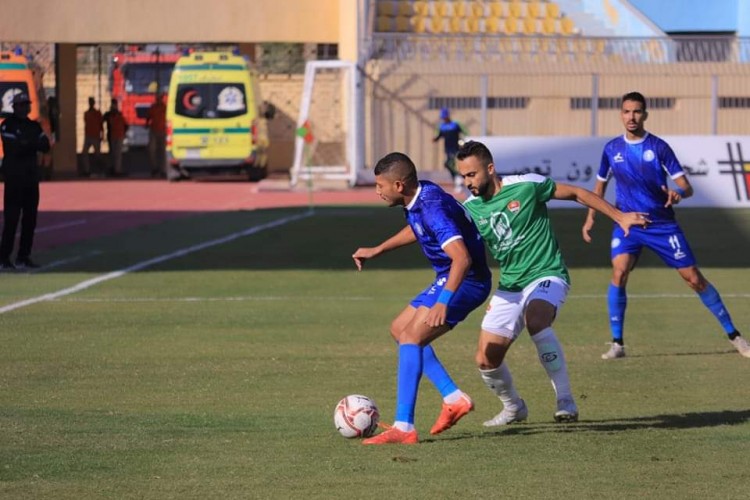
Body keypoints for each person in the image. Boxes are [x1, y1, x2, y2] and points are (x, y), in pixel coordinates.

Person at [455, 140, 647, 427]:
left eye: (472, 174)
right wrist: (380, 248)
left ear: (490, 168)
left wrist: (619, 216)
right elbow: (442, 231)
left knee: (537, 318)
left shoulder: (526, 185)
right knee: (486, 358)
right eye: (463, 176)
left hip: (547, 272)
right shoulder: (470, 209)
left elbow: (577, 193)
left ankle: (565, 400)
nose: (467, 182)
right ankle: (514, 407)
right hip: (511, 285)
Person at [582, 91, 749, 359]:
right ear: (621, 114)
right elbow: (600, 185)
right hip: (628, 224)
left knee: (693, 279)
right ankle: (617, 343)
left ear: (645, 115)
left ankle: (735, 336)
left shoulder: (659, 147)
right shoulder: (612, 149)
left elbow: (687, 186)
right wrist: (591, 216)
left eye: (636, 111)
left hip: (662, 225)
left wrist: (677, 193)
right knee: (619, 272)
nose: (631, 116)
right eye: (626, 111)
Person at [352, 152, 492, 445]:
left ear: (399, 185)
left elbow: (462, 258)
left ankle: (404, 426)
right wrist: (378, 249)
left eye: (380, 185)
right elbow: (419, 229)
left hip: (467, 280)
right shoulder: (421, 194)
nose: (377, 191)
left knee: (411, 338)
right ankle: (454, 398)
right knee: (399, 329)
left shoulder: (432, 208)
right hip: (449, 276)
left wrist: (444, 301)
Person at [0, 93, 51, 270]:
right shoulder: (7, 125)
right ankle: (4, 258)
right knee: (11, 219)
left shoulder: (33, 126)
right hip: (14, 178)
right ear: (14, 107)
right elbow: (14, 147)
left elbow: (45, 145)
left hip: (30, 178)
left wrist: (27, 143)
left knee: (30, 219)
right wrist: (32, 143)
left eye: (26, 104)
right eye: (21, 104)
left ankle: (23, 256)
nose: (24, 107)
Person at [433, 107, 467, 194]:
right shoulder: (442, 127)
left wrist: (465, 140)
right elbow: (439, 135)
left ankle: (458, 180)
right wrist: (435, 139)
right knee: (448, 164)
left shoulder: (455, 125)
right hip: (448, 149)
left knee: (453, 163)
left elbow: (465, 133)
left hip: (456, 148)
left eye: (445, 116)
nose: (444, 118)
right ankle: (457, 179)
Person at [103, 98, 128, 177]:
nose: (114, 106)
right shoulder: (108, 114)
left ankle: (117, 169)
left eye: (115, 104)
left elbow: (126, 125)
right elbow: (102, 120)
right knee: (112, 153)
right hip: (111, 135)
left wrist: (123, 133)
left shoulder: (119, 114)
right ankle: (112, 168)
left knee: (117, 153)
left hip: (118, 135)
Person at [146, 92, 167, 177]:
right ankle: (154, 168)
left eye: (160, 98)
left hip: (163, 131)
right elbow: (148, 117)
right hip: (153, 131)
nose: (158, 99)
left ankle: (163, 170)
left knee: (163, 151)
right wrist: (146, 124)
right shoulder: (153, 107)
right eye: (157, 98)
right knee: (151, 149)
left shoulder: (165, 107)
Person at [81, 96, 103, 177]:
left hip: (95, 136)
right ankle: (87, 170)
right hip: (88, 136)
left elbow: (101, 125)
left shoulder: (97, 113)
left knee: (98, 154)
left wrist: (101, 135)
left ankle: (101, 170)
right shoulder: (86, 113)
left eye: (92, 102)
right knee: (84, 153)